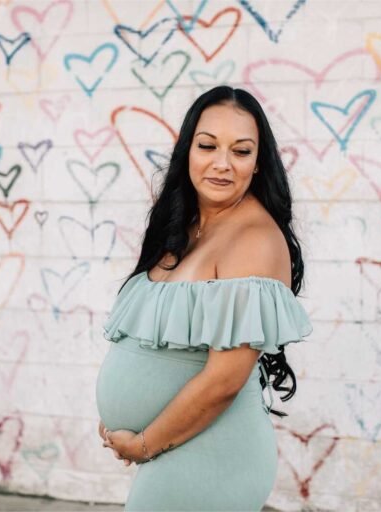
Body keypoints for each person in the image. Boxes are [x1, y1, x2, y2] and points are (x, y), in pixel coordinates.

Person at [95, 85, 313, 511]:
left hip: (213, 453)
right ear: (188, 151)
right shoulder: (186, 225)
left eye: (241, 151)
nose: (222, 164)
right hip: (178, 449)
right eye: (208, 145)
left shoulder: (252, 239)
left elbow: (224, 381)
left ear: (258, 163)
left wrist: (143, 442)